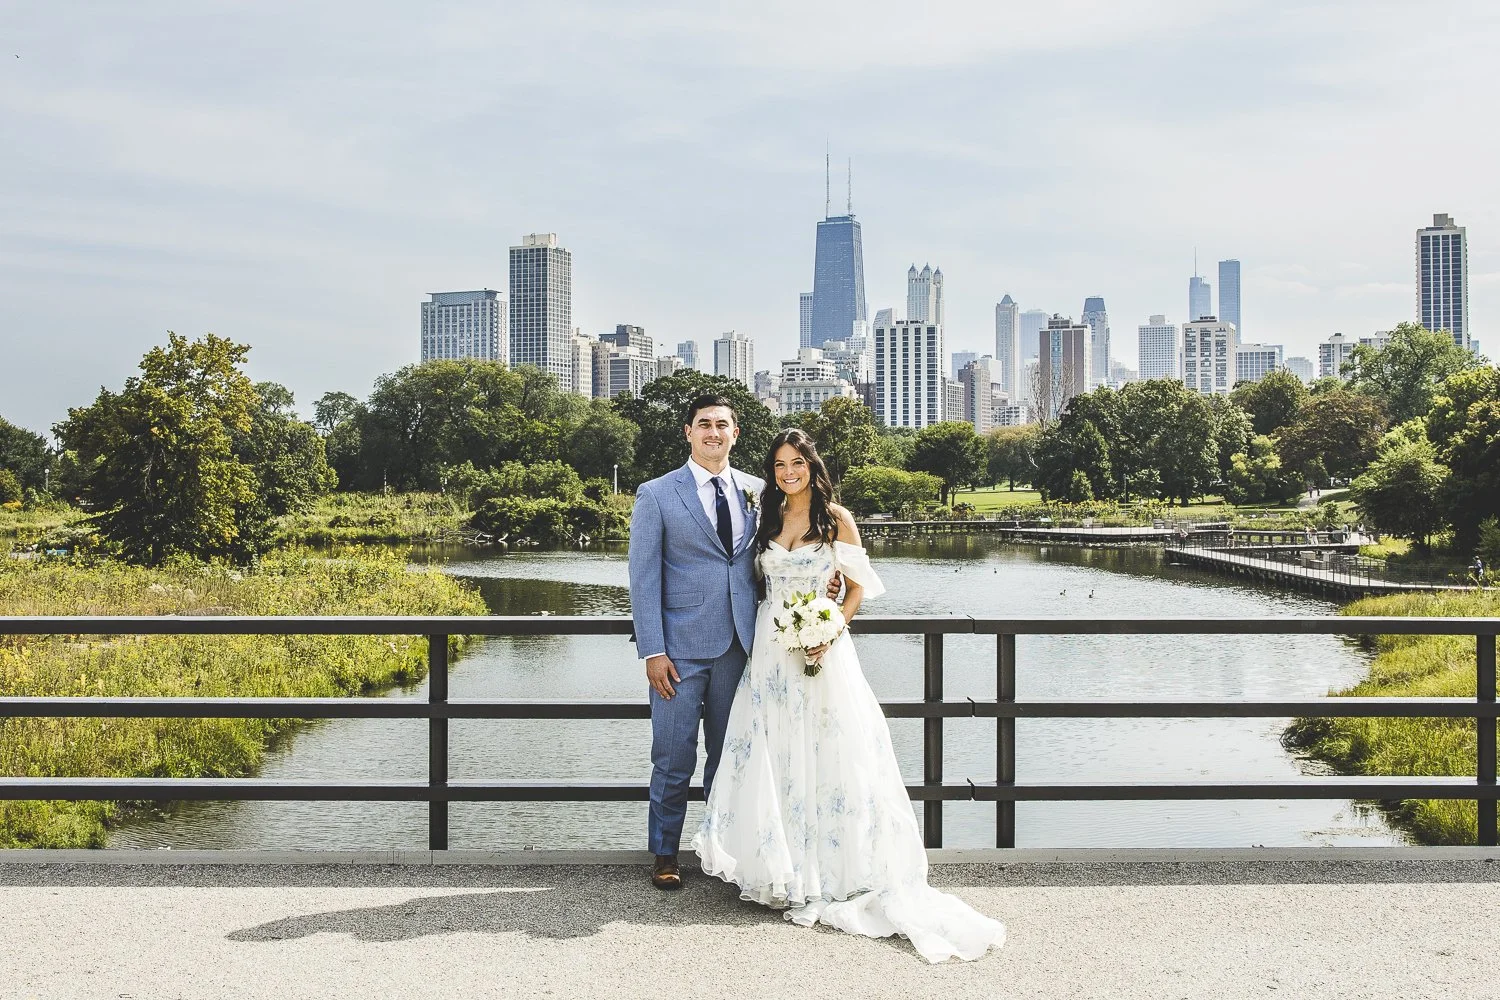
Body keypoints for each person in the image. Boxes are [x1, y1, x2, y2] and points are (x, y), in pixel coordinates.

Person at [691, 428, 1006, 963]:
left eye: (797, 463)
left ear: (812, 466)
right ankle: (781, 868)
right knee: (772, 752)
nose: (788, 473)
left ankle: (830, 870)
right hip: (769, 653)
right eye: (779, 465)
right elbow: (754, 583)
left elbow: (858, 587)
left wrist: (831, 627)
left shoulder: (836, 518)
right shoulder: (766, 516)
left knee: (830, 753)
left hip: (821, 651)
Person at [628, 396, 837, 891]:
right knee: (672, 757)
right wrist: (653, 651)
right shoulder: (656, 494)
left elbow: (783, 555)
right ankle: (665, 854)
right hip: (677, 653)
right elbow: (642, 578)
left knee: (733, 759)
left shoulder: (760, 492)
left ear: (735, 434)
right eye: (704, 424)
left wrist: (824, 587)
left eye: (722, 424)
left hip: (744, 649)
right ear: (688, 432)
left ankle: (722, 854)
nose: (713, 432)